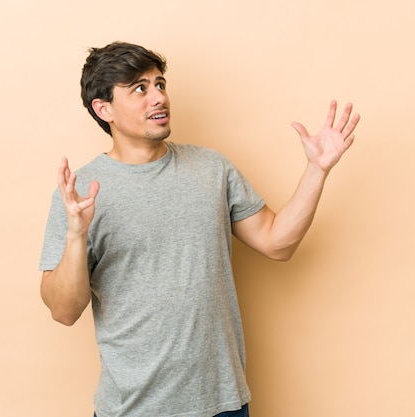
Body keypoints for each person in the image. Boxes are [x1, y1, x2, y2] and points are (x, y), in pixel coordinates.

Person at [39, 41, 360, 417]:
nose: (158, 97)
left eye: (160, 84)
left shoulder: (212, 169)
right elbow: (63, 310)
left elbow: (277, 243)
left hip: (222, 404)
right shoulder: (80, 194)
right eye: (139, 89)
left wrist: (317, 170)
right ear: (103, 108)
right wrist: (77, 235)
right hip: (132, 410)